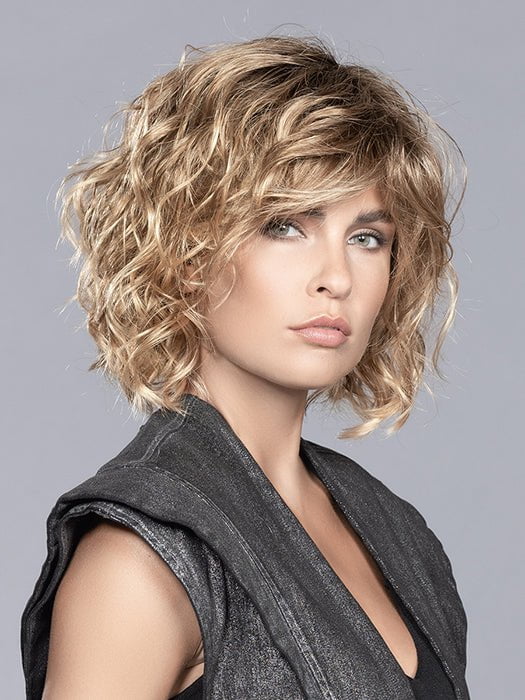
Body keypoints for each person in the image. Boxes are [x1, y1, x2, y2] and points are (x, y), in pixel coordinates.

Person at [20, 35, 470, 699]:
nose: (337, 277)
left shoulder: (399, 534)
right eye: (284, 225)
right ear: (186, 252)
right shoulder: (141, 559)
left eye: (366, 238)